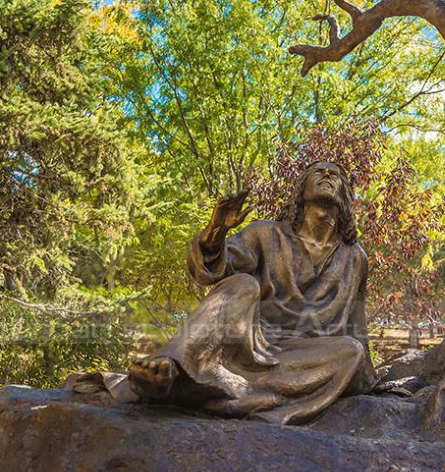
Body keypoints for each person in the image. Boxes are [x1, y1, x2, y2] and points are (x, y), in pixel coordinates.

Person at [70, 161, 379, 424]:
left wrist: (372, 381)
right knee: (243, 283)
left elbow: (356, 324)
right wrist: (216, 229)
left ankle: (212, 391)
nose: (327, 175)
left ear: (344, 195)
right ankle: (170, 367)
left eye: (335, 174)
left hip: (301, 356)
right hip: (250, 341)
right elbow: (214, 269)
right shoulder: (266, 233)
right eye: (318, 172)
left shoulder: (355, 258)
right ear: (302, 191)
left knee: (351, 350)